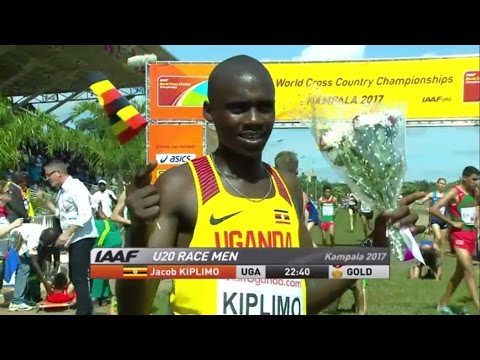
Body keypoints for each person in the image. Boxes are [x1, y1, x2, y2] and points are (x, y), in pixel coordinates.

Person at [117, 55, 426, 315]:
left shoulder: (286, 187)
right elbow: (135, 308)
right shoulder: (181, 187)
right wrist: (136, 234)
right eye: (238, 108)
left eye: (264, 107)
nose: (254, 119)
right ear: (209, 113)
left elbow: (307, 293)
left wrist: (372, 248)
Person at [37, 160, 98, 315]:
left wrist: (67, 233)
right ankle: (86, 307)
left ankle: (84, 311)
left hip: (83, 237)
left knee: (79, 276)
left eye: (48, 175)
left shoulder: (76, 187)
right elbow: (61, 214)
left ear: (58, 173)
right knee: (74, 275)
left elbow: (85, 214)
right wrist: (47, 201)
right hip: (74, 238)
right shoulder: (62, 192)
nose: (47, 179)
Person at [430, 166, 479, 315]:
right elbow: (433, 209)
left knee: (460, 273)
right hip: (458, 236)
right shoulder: (454, 192)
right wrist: (451, 222)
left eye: (477, 180)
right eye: (473, 179)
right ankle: (478, 306)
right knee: (469, 270)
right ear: (464, 178)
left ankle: (442, 304)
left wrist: (478, 224)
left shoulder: (475, 192)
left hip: (471, 235)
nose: (476, 182)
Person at [274, 151, 320, 244]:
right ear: (297, 170)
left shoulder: (268, 188)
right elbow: (301, 219)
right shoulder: (298, 192)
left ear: (275, 168)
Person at [417, 178, 449, 255]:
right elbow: (422, 201)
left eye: (443, 184)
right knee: (438, 237)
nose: (442, 185)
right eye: (440, 183)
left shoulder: (447, 195)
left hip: (444, 219)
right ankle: (432, 253)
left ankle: (436, 254)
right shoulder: (432, 194)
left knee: (441, 241)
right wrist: (427, 208)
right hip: (435, 219)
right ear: (437, 184)